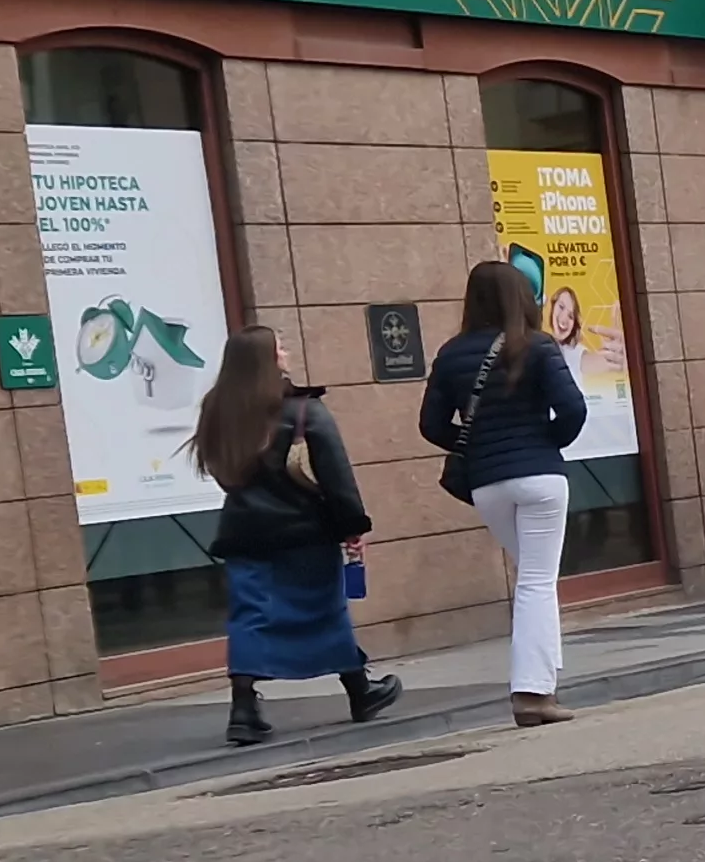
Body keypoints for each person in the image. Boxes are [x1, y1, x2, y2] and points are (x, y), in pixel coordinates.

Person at [194, 325, 398, 746]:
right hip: (305, 533)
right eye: (279, 348)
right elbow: (337, 476)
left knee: (249, 616)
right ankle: (360, 692)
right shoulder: (305, 411)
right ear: (266, 361)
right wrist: (353, 527)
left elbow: (217, 468)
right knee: (326, 609)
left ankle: (244, 710)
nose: (285, 352)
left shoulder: (217, 409)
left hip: (243, 532)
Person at [420, 258, 585, 726]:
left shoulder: (451, 353)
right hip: (539, 479)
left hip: (487, 484)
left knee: (537, 578)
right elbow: (571, 410)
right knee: (536, 581)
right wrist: (543, 442)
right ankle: (533, 693)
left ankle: (547, 676)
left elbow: (430, 425)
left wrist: (478, 444)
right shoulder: (537, 346)